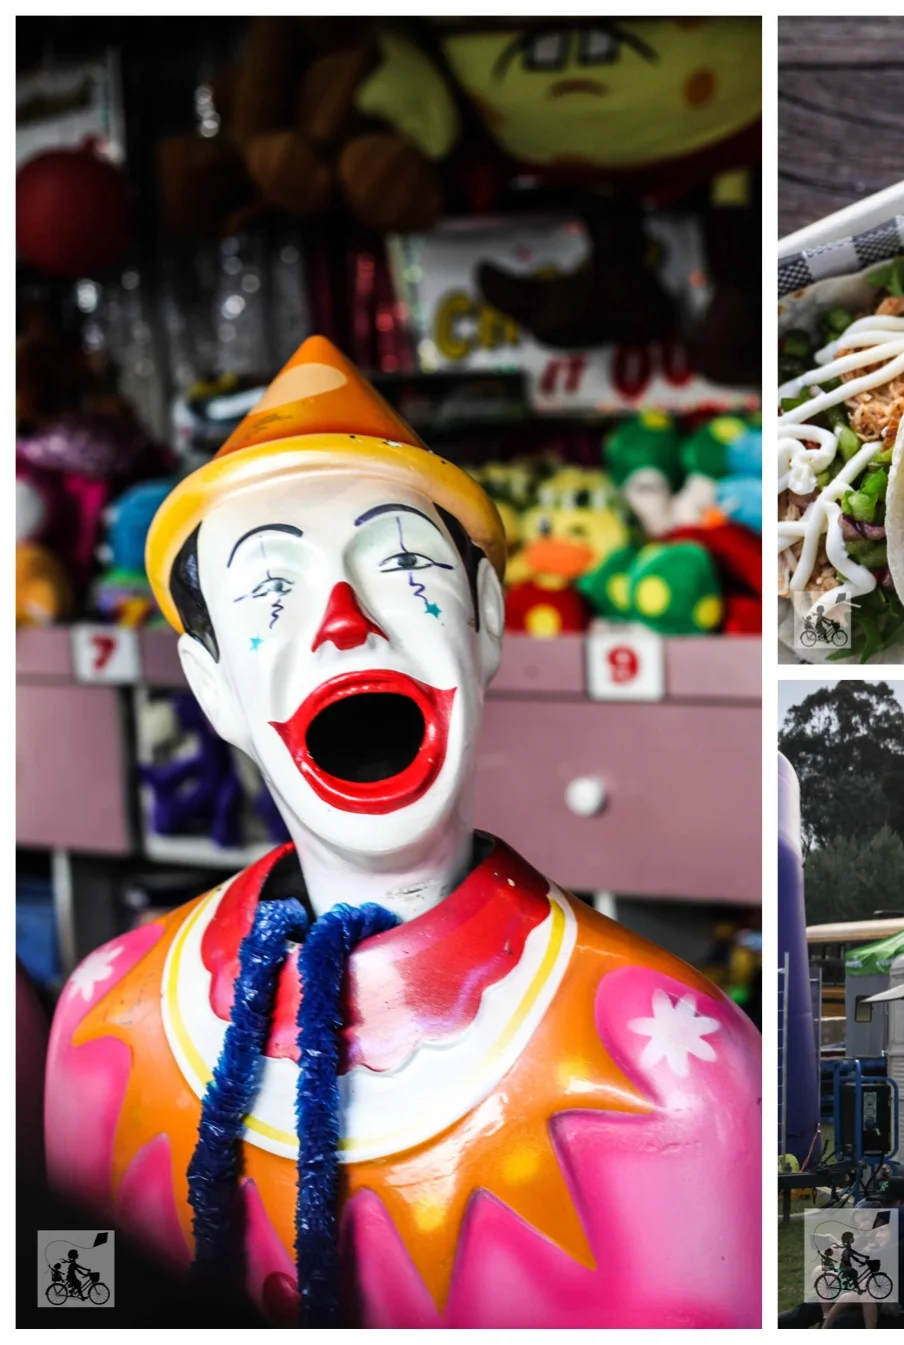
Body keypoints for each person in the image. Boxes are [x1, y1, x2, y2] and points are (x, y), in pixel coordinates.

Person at [41, 338, 762, 1328]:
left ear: (489, 622)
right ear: (212, 685)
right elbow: (66, 1294)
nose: (344, 620)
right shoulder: (98, 1025)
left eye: (403, 564)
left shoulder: (671, 1072)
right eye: (270, 592)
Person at [781, 1177, 904, 1328]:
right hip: (880, 1296)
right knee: (812, 1306)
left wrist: (846, 1254)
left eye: (888, 1204)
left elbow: (886, 1258)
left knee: (842, 1323)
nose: (881, 1209)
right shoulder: (898, 1223)